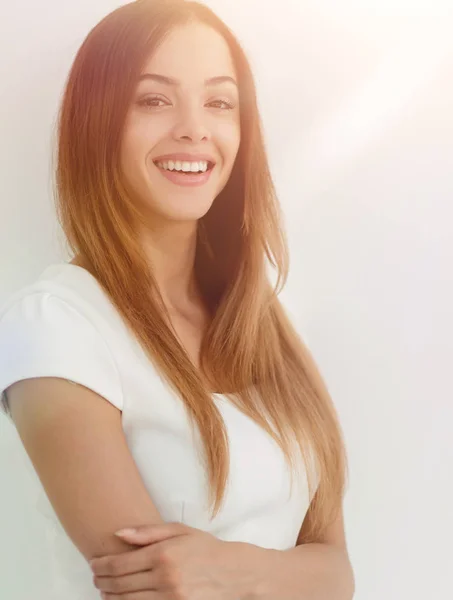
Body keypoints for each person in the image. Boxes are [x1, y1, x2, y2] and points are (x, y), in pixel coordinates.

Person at [0, 1, 355, 598]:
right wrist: (290, 576)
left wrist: (230, 568)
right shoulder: (55, 325)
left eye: (219, 101)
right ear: (97, 122)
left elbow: (339, 574)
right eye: (154, 99)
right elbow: (150, 591)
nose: (195, 128)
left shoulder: (258, 319)